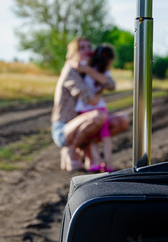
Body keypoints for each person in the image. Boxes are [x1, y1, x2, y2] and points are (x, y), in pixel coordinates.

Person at [51, 37, 129, 171]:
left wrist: (89, 70)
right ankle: (71, 148)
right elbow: (92, 99)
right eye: (81, 47)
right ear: (72, 54)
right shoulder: (70, 71)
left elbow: (111, 85)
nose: (87, 50)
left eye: (89, 46)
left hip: (85, 122)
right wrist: (99, 84)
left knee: (123, 120)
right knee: (98, 116)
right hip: (63, 128)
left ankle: (85, 151)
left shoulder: (89, 68)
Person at [74, 44, 115, 172]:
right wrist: (99, 94)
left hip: (85, 108)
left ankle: (96, 162)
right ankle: (108, 163)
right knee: (105, 137)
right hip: (100, 108)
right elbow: (107, 86)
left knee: (91, 138)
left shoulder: (85, 69)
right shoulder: (104, 73)